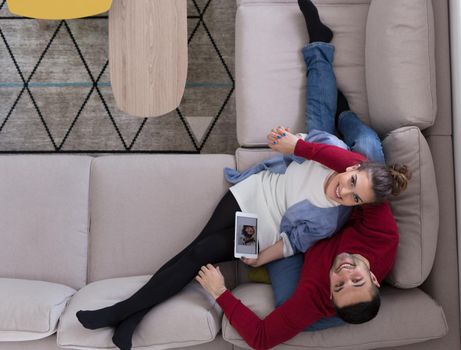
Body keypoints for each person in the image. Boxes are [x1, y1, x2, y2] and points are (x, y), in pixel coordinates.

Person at [75, 1, 410, 349]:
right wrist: (297, 147)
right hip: (264, 188)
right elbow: (354, 170)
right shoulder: (376, 227)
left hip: (265, 227)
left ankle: (124, 314)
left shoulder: (317, 286)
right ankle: (128, 317)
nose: (343, 275)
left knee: (198, 253)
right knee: (362, 146)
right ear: (371, 275)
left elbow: (266, 327)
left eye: (339, 285)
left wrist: (226, 290)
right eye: (354, 278)